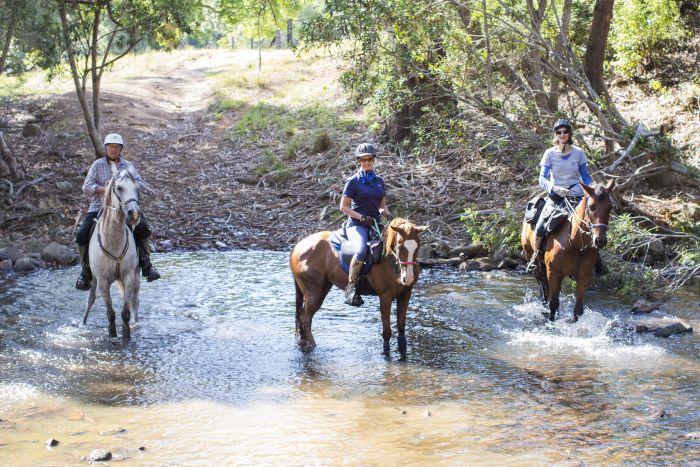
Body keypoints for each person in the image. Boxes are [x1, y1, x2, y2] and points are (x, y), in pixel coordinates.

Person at [74, 133, 161, 290]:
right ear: (106, 148)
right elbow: (86, 187)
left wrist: (130, 187)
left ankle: (147, 265)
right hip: (99, 208)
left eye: (117, 147)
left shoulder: (128, 166)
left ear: (120, 149)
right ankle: (85, 271)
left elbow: (139, 182)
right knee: (81, 234)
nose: (113, 150)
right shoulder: (97, 165)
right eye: (110, 147)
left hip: (124, 207)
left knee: (143, 229)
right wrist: (105, 189)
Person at [526, 118, 594, 273]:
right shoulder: (549, 154)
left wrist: (592, 187)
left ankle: (596, 261)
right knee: (540, 226)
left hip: (576, 195)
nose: (562, 135)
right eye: (559, 132)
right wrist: (553, 188)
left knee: (591, 224)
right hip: (556, 196)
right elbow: (542, 178)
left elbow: (585, 176)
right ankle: (536, 258)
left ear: (570, 134)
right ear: (555, 135)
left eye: (565, 132)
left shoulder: (578, 153)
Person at [339, 143, 392, 306]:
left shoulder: (379, 181)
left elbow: (381, 206)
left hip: (375, 224)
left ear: (374, 160)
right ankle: (351, 288)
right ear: (359, 161)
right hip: (357, 224)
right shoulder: (353, 181)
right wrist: (362, 218)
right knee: (361, 250)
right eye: (363, 160)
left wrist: (388, 215)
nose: (367, 163)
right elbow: (343, 207)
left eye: (369, 159)